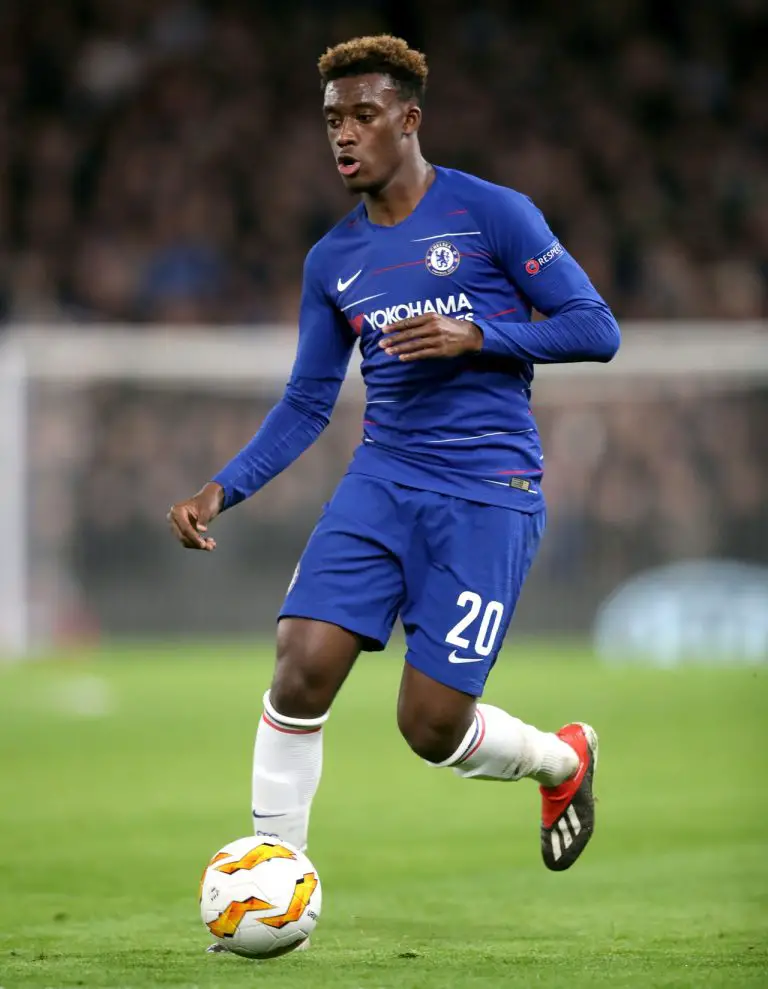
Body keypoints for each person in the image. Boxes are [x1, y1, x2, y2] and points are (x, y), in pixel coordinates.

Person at [168, 35, 619, 894]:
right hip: (381, 481)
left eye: (363, 115)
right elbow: (308, 401)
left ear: (409, 120)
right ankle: (273, 879)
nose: (344, 134)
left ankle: (562, 758)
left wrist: (480, 334)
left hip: (489, 493)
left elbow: (597, 328)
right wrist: (222, 488)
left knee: (431, 725)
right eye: (332, 119)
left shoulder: (493, 213)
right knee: (301, 664)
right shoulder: (332, 260)